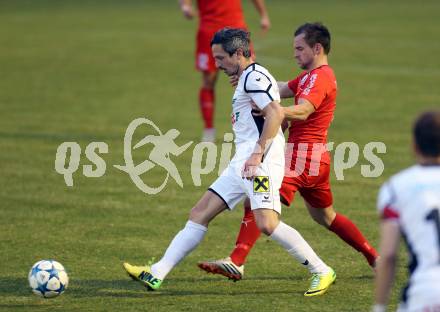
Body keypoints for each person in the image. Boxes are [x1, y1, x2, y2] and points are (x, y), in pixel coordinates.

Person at [123, 28, 336, 296]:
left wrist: (258, 153)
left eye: (221, 58)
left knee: (267, 224)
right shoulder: (249, 76)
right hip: (242, 163)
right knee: (199, 213)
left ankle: (321, 270)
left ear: (238, 54)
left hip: (259, 164)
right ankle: (156, 273)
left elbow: (274, 114)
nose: (217, 64)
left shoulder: (254, 78)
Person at [198, 22, 379, 281]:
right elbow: (278, 88)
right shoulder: (308, 76)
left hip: (301, 157)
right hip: (317, 160)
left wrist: (275, 111)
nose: (294, 53)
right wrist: (249, 78)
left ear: (317, 48)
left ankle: (237, 260)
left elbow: (304, 110)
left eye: (299, 48)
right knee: (326, 217)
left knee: (257, 196)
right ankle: (375, 257)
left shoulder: (321, 77)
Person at [372, 111, 440, 312]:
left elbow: (389, 255)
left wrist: (379, 307)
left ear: (414, 146)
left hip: (424, 293)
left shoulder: (396, 188)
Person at [179, 0, 270, 142]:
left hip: (236, 29)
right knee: (208, 81)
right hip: (209, 30)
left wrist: (263, 15)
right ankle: (208, 130)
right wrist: (185, 6)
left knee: (250, 78)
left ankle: (258, 126)